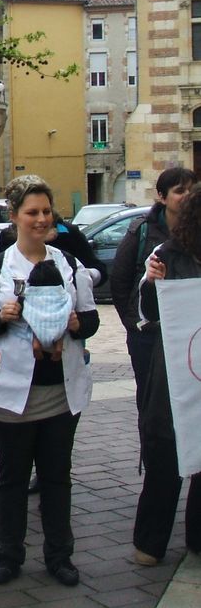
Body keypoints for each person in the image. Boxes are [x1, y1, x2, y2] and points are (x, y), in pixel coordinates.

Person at [0, 175, 99, 588]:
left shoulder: (68, 263)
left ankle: (59, 555)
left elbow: (91, 319)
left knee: (57, 476)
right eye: (32, 213)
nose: (41, 220)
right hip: (11, 393)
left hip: (60, 391)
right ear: (14, 216)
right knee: (12, 476)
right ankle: (8, 554)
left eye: (46, 212)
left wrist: (77, 324)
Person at [130, 183, 201, 566]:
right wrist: (153, 284)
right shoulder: (166, 256)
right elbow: (146, 315)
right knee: (164, 451)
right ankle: (150, 541)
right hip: (175, 369)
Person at [110, 166, 196, 410]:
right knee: (153, 404)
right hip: (149, 334)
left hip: (189, 333)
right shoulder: (143, 230)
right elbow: (120, 280)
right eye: (180, 191)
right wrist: (132, 323)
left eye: (192, 190)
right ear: (162, 196)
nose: (187, 195)